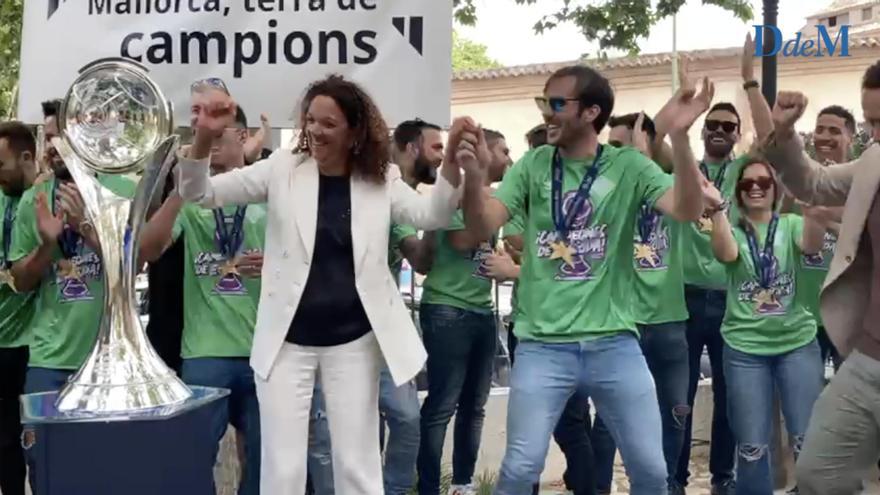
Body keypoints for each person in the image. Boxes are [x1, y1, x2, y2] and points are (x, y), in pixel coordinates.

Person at [176, 74, 477, 494]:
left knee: (356, 466)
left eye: (329, 124)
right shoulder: (283, 168)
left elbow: (434, 218)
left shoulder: (381, 177)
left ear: (355, 132)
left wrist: (450, 167)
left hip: (354, 341)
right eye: (310, 121)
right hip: (286, 343)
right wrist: (204, 136)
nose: (315, 131)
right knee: (282, 470)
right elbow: (198, 193)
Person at [461, 64, 714, 494]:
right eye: (544, 102)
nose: (547, 113)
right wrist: (473, 175)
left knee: (652, 470)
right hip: (543, 345)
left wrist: (682, 138)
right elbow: (480, 226)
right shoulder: (534, 165)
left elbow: (688, 210)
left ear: (591, 112)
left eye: (558, 103)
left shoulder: (629, 165)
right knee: (521, 469)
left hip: (614, 342)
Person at [760, 60, 880, 495]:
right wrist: (786, 133)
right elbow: (812, 183)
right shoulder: (874, 161)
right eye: (871, 121)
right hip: (868, 359)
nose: (877, 134)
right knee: (818, 476)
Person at [140, 104, 264, 495]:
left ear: (243, 137)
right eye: (201, 138)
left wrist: (277, 262)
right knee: (192, 460)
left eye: (217, 136)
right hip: (204, 354)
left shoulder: (269, 190)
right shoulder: (194, 200)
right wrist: (181, 188)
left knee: (266, 464)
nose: (206, 144)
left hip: (264, 353)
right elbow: (147, 249)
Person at [708, 158, 825, 495]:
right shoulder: (732, 227)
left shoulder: (789, 224)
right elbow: (725, 254)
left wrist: (813, 207)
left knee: (807, 438)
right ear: (739, 193)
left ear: (776, 189)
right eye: (746, 184)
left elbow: (813, 246)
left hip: (797, 344)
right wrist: (716, 211)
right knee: (752, 446)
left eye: (763, 181)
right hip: (745, 350)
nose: (755, 187)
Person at [591, 112, 691, 495]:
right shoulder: (602, 192)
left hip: (668, 322)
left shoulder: (671, 187)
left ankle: (664, 489)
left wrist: (644, 156)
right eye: (612, 146)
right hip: (620, 325)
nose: (617, 154)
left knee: (675, 417)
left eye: (624, 146)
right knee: (608, 423)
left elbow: (689, 195)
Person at [496, 124, 598, 495]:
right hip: (534, 322)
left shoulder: (581, 202)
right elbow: (516, 240)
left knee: (563, 425)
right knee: (551, 427)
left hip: (558, 327)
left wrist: (521, 265)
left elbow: (530, 249)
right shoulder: (526, 199)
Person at [416, 128, 510, 495]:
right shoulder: (456, 194)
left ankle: (463, 485)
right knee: (442, 404)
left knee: (476, 405)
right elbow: (461, 239)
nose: (509, 158)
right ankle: (428, 487)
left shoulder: (493, 201)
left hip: (482, 310)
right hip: (447, 310)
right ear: (485, 154)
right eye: (503, 150)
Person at [0, 122, 39, 495]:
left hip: (32, 344)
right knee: (5, 443)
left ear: (26, 157)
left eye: (1, 164)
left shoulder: (45, 198)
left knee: (33, 441)